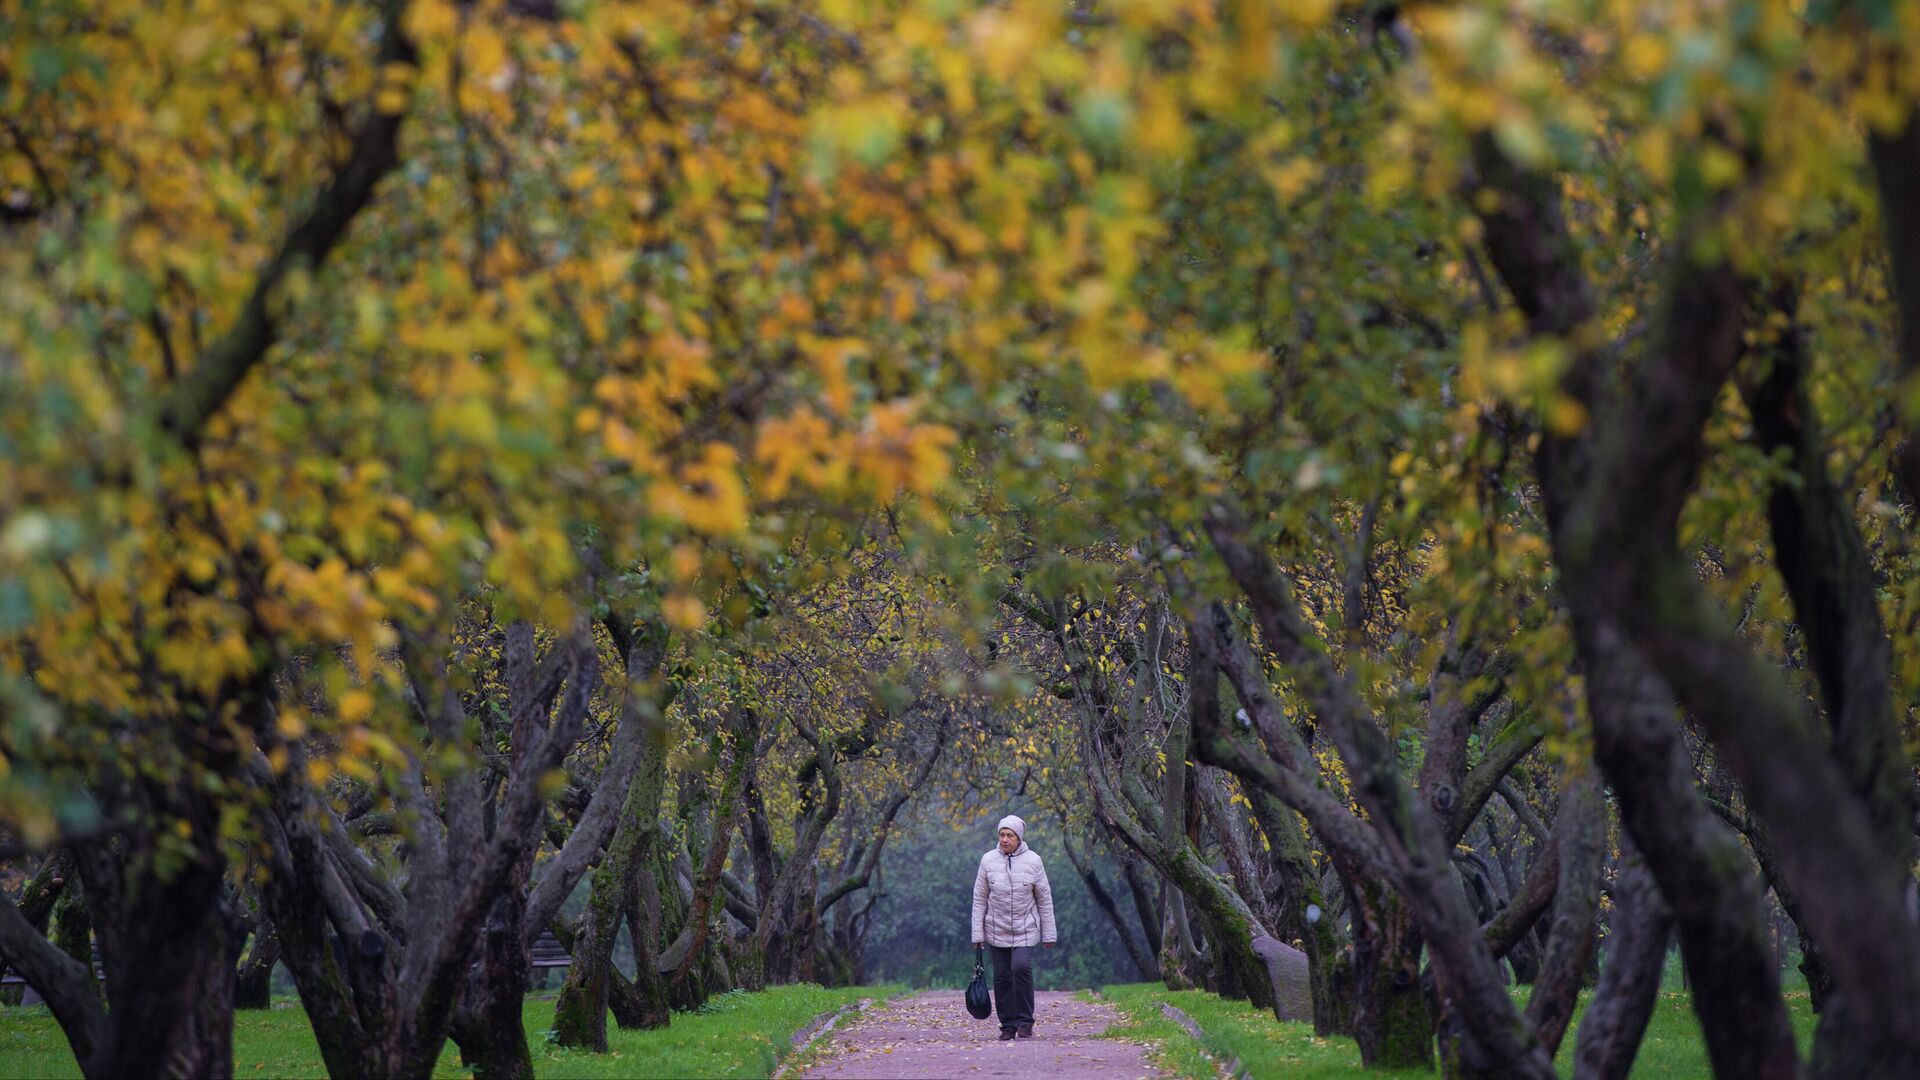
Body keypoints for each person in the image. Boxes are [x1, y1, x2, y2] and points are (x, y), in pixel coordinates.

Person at [970, 814, 1057, 1040]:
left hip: (1026, 929)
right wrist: (977, 934)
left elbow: (1044, 899)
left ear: (1019, 838)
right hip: (996, 929)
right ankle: (1008, 1024)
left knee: (1020, 968)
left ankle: (1025, 1021)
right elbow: (979, 899)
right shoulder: (988, 861)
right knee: (1002, 977)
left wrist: (1049, 934)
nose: (1005, 839)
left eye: (1009, 835)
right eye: (1002, 835)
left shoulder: (1034, 861)